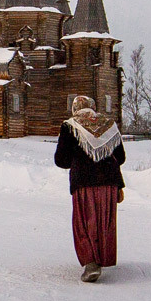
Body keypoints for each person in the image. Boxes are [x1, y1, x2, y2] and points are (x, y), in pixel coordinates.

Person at [53, 94, 125, 282]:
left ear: (75, 108)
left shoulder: (70, 126)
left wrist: (78, 159)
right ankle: (102, 258)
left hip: (83, 183)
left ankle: (91, 262)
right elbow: (121, 157)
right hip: (109, 182)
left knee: (84, 222)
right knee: (104, 221)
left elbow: (61, 160)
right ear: (93, 107)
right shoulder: (108, 125)